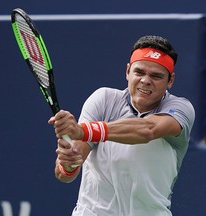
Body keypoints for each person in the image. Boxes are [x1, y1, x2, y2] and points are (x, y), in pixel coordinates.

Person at [48, 35, 195, 216]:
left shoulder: (181, 109)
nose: (145, 80)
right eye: (139, 72)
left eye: (156, 76)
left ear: (170, 80)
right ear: (127, 71)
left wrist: (83, 131)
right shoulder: (103, 99)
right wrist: (69, 163)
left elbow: (147, 130)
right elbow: (67, 171)